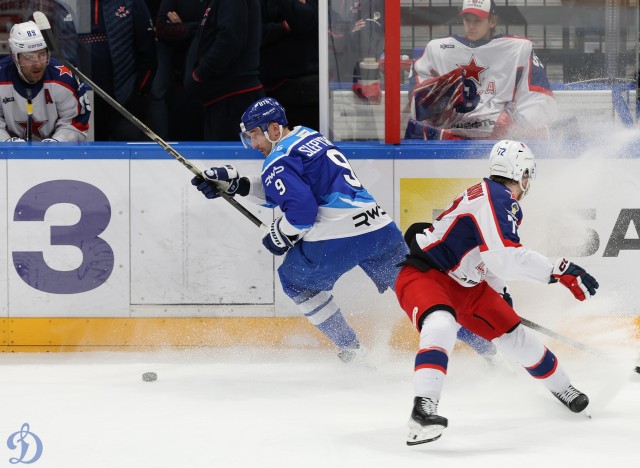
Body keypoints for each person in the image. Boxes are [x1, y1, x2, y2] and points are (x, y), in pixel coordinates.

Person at [190, 97, 498, 362]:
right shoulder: (309, 136)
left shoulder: (277, 160)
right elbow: (287, 190)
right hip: (380, 230)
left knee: (295, 282)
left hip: (337, 238)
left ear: (273, 128)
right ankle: (490, 348)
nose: (254, 145)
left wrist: (280, 234)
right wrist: (237, 184)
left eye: (255, 135)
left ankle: (352, 351)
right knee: (423, 294)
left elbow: (301, 213)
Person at [395, 140, 599, 445]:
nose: (528, 182)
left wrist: (501, 293)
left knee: (518, 340)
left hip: (469, 287)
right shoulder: (498, 199)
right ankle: (423, 410)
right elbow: (504, 257)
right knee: (441, 324)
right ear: (521, 173)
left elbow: (489, 258)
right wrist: (558, 269)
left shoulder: (493, 196)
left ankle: (564, 388)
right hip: (427, 275)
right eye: (527, 174)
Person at [405, 0, 558, 140]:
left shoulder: (517, 49)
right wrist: (440, 105)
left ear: (492, 21)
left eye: (477, 20)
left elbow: (539, 96)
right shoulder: (437, 49)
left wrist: (517, 125)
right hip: (452, 134)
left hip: (500, 136)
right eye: (467, 20)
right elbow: (419, 97)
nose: (471, 26)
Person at [184, 0, 264, 141]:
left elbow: (230, 40)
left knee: (233, 154)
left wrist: (201, 73)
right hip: (223, 98)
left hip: (232, 98)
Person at [0, 21, 90, 142]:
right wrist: (6, 143)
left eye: (42, 54)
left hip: (57, 153)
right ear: (15, 57)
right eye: (29, 57)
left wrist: (57, 142)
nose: (37, 64)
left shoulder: (64, 79)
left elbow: (76, 125)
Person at [81, 0, 157, 141]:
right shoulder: (71, 4)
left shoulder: (131, 3)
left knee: (129, 146)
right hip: (82, 101)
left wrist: (138, 92)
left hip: (125, 98)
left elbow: (148, 52)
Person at [151, 0, 207, 140]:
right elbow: (161, 29)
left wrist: (182, 27)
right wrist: (196, 28)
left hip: (214, 83)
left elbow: (219, 30)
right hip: (182, 82)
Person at [260, 0, 319, 130]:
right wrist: (283, 27)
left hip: (305, 86)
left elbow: (304, 20)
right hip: (269, 87)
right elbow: (253, 33)